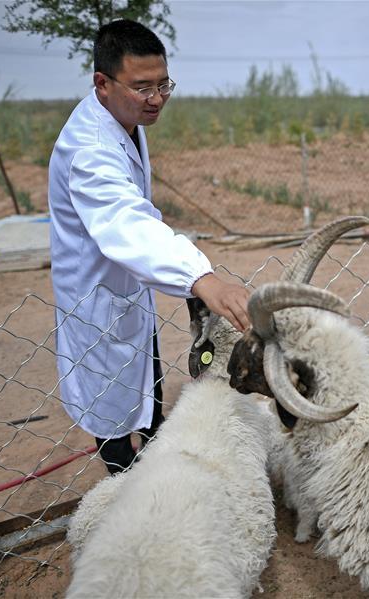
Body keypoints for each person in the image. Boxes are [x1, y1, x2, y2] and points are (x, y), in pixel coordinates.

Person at [48, 19, 250, 474]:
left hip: (128, 292)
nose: (156, 99)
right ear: (102, 83)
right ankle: (127, 484)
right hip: (97, 303)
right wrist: (202, 278)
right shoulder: (90, 149)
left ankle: (161, 463)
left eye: (164, 85)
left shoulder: (124, 122)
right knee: (114, 419)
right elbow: (127, 222)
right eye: (142, 88)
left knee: (149, 389)